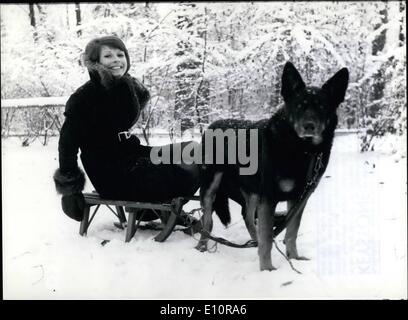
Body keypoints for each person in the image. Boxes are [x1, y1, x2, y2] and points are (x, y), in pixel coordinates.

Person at [53, 35, 199, 221]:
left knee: (196, 151)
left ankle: (164, 208)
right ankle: (161, 209)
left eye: (120, 55)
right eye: (108, 56)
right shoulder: (84, 97)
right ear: (95, 62)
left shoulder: (124, 87)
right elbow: (67, 145)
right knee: (184, 170)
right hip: (110, 172)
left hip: (133, 155)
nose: (116, 60)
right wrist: (70, 191)